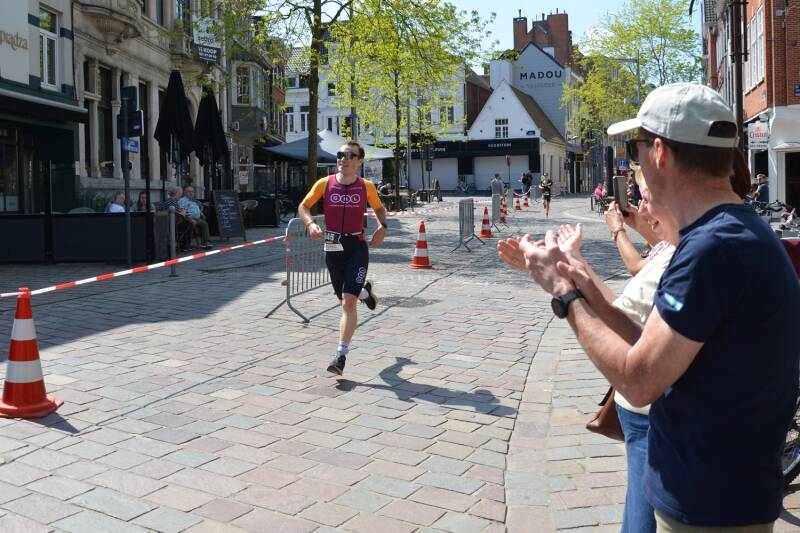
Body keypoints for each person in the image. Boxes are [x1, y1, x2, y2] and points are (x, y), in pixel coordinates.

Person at [498, 83, 800, 531]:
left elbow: (639, 381)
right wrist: (580, 279)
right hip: (722, 493)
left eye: (635, 148)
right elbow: (657, 345)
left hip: (709, 504)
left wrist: (563, 294)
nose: (633, 162)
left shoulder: (711, 250)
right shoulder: (729, 233)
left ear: (659, 152)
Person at [555, 168, 677, 533]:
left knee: (640, 514)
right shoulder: (676, 247)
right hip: (645, 407)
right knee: (639, 505)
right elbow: (642, 268)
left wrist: (566, 291)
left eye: (645, 195)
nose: (641, 204)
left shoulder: (683, 254)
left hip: (647, 407)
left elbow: (622, 308)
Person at [298, 141, 387, 375]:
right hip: (333, 246)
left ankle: (340, 356)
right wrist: (310, 224)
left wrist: (382, 226)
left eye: (349, 155)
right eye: (340, 154)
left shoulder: (366, 186)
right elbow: (304, 206)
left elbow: (379, 208)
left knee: (348, 302)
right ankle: (366, 293)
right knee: (345, 298)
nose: (343, 159)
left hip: (357, 245)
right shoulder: (324, 183)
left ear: (359, 161)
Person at [177, 185, 212, 250]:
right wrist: (191, 220)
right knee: (204, 224)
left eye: (192, 191)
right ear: (184, 192)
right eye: (189, 191)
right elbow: (183, 212)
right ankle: (206, 243)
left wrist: (202, 214)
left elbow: (197, 209)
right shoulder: (183, 200)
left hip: (197, 218)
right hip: (188, 219)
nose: (191, 193)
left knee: (204, 223)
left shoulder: (193, 201)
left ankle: (204, 243)